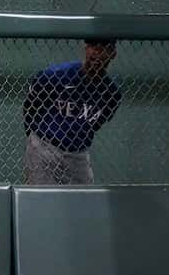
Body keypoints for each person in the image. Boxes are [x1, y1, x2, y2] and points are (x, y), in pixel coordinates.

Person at [22, 38, 122, 184]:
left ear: (112, 54)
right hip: (44, 147)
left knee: (84, 201)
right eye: (93, 46)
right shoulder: (55, 75)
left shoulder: (111, 93)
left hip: (77, 155)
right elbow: (30, 107)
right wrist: (34, 139)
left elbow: (96, 124)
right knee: (39, 200)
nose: (96, 53)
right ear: (86, 48)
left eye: (103, 49)